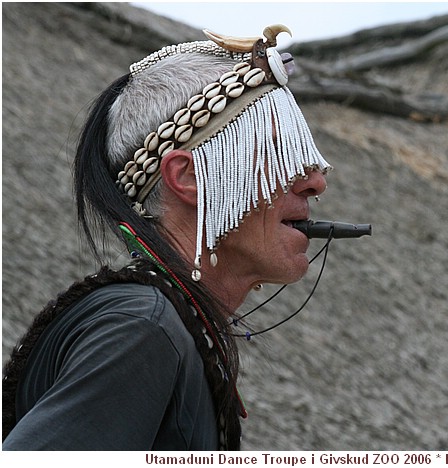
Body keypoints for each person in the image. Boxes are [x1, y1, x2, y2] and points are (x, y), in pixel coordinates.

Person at [2, 25, 332, 450]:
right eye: (282, 154)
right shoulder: (142, 328)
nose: (314, 183)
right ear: (189, 179)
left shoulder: (165, 325)